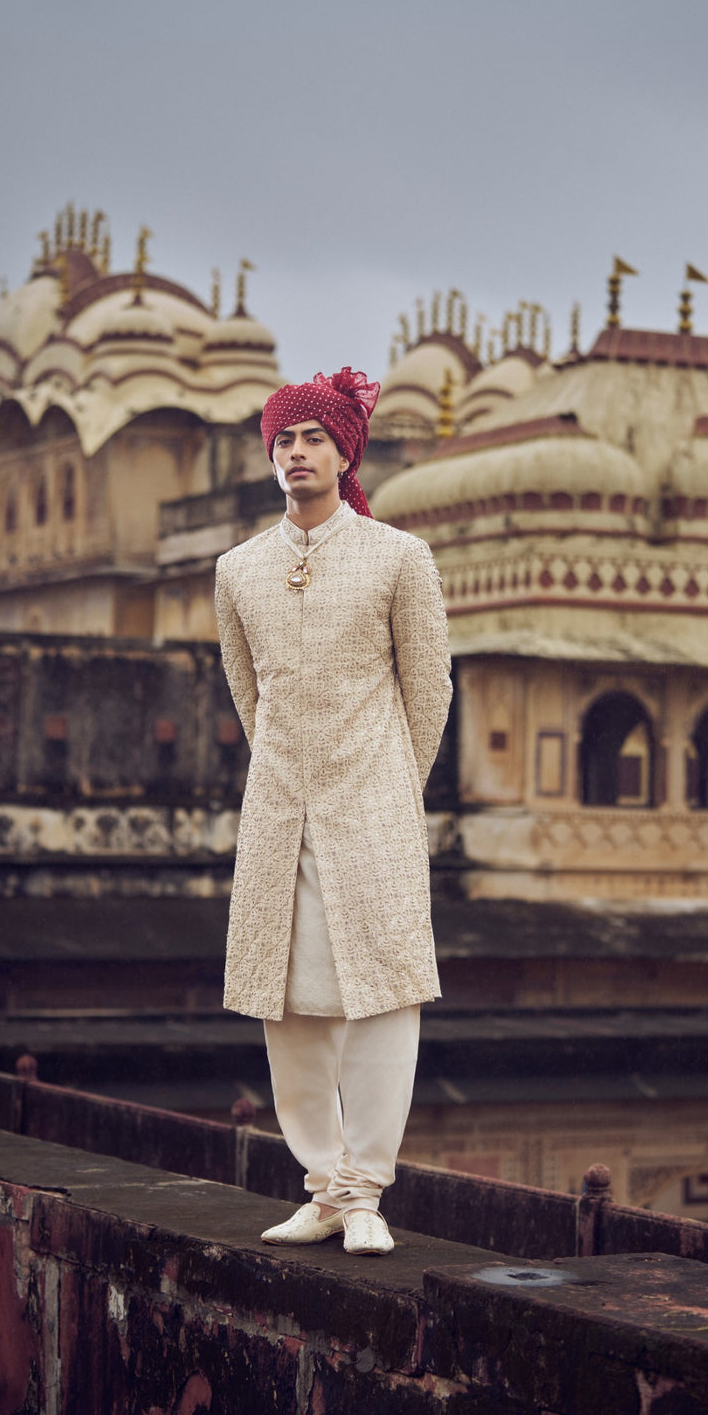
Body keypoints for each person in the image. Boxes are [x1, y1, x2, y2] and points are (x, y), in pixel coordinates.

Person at [215, 366, 452, 1256]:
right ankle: (319, 1186)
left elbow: (429, 692)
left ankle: (365, 1193)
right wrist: (292, 777)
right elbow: (249, 695)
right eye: (282, 439)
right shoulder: (237, 570)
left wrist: (389, 784)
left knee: (384, 997)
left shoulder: (398, 557)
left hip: (374, 808)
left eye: (313, 437)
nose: (296, 453)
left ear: (345, 448)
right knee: (290, 1003)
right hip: (279, 812)